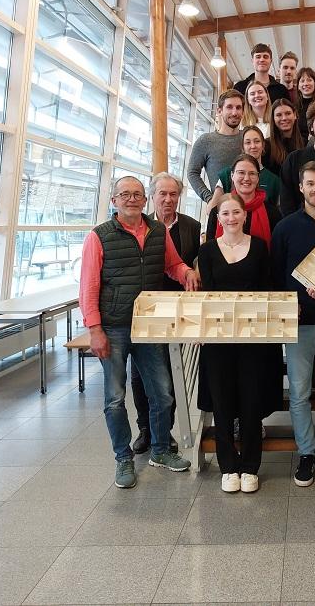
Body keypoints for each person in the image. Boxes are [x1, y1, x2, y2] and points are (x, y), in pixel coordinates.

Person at [80, 176, 197, 489]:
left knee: (163, 393)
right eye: (125, 194)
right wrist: (95, 329)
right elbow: (88, 287)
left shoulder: (158, 231)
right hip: (113, 326)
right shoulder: (98, 236)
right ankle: (123, 458)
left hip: (149, 324)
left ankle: (161, 449)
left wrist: (185, 271)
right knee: (115, 398)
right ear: (114, 200)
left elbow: (172, 264)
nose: (131, 199)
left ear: (145, 200)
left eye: (137, 194)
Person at [271, 161, 315, 488]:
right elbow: (277, 276)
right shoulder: (285, 227)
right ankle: (306, 453)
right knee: (299, 393)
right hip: (297, 325)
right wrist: (290, 304)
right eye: (310, 184)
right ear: (301, 187)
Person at [198, 193, 276, 493]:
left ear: (245, 215)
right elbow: (207, 295)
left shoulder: (259, 247)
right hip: (218, 340)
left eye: (236, 212)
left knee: (251, 401)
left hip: (253, 339)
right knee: (222, 402)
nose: (231, 218)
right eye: (225, 213)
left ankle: (250, 467)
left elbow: (266, 289)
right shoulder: (207, 251)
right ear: (218, 219)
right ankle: (228, 466)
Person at [129, 173, 200, 455]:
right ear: (152, 196)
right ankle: (145, 428)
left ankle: (164, 429)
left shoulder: (192, 227)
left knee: (170, 373)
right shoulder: (140, 225)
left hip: (178, 310)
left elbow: (190, 264)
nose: (168, 199)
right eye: (163, 194)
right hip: (146, 309)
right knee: (139, 375)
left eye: (173, 194)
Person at [206, 154, 282, 249]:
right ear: (232, 176)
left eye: (252, 173)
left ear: (258, 178)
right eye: (241, 173)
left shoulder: (272, 214)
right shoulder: (217, 212)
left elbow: (276, 252)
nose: (246, 178)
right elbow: (209, 251)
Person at [186, 90, 244, 204]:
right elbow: (192, 173)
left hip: (250, 206)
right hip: (220, 208)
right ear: (219, 111)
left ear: (243, 112)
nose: (234, 112)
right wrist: (209, 198)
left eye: (238, 108)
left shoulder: (248, 139)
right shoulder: (206, 141)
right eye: (229, 107)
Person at [209, 126, 282, 208]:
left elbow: (277, 212)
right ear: (242, 147)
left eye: (257, 141)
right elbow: (212, 208)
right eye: (248, 142)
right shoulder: (226, 175)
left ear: (263, 145)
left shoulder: (274, 181)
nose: (253, 146)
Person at [268, 98, 305, 176]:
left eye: (288, 113)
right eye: (279, 115)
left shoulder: (305, 143)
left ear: (295, 115)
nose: (284, 118)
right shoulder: (267, 146)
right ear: (273, 118)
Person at [295, 66, 315, 140]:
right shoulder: (294, 107)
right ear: (298, 86)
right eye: (302, 81)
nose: (306, 84)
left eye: (309, 80)